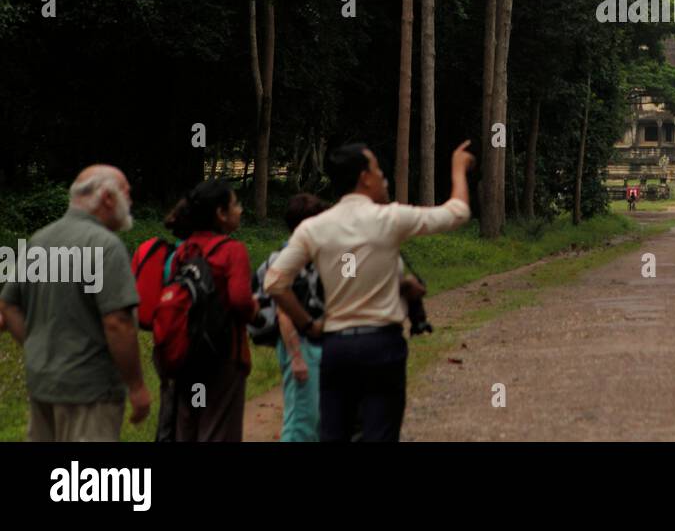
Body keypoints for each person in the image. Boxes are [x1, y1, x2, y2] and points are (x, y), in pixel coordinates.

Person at [265, 141, 474, 442]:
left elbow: (274, 282)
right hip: (382, 346)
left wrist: (309, 326)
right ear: (364, 177)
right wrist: (458, 166)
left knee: (334, 434)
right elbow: (457, 212)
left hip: (336, 348)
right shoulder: (389, 218)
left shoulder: (314, 227)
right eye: (377, 169)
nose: (382, 176)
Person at [0, 165, 151, 441]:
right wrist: (137, 386)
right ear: (107, 198)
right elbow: (117, 322)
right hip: (90, 393)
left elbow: (8, 305)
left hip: (43, 386)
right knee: (85, 483)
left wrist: (35, 347)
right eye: (127, 194)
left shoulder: (39, 241)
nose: (130, 202)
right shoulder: (106, 246)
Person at [165, 181, 257, 442]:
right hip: (224, 356)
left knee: (187, 429)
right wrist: (256, 311)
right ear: (220, 213)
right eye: (236, 204)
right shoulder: (232, 250)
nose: (240, 210)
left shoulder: (183, 250)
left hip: (186, 356)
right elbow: (240, 300)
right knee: (218, 430)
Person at [253, 192, 328, 442]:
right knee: (300, 424)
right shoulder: (287, 260)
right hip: (299, 344)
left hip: (317, 345)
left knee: (317, 418)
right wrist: (297, 357)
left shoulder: (314, 256)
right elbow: (283, 312)